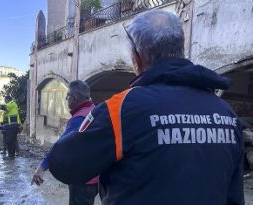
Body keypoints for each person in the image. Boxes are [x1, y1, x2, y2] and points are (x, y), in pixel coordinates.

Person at [47, 10, 244, 205]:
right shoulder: (226, 113)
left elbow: (63, 164)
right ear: (180, 48)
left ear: (136, 57)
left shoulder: (122, 109)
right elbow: (235, 197)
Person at [31, 80, 99, 205]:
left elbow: (60, 147)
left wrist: (42, 167)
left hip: (82, 179)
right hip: (94, 176)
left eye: (67, 97)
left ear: (74, 98)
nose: (66, 99)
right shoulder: (93, 110)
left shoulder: (79, 119)